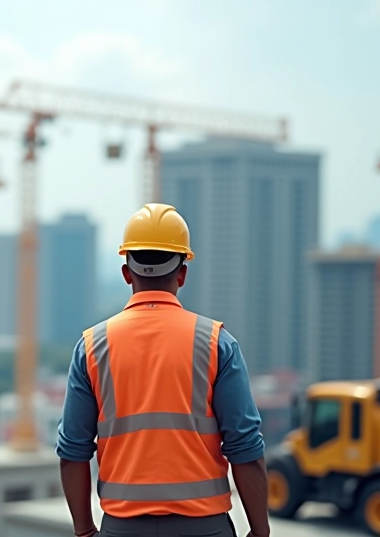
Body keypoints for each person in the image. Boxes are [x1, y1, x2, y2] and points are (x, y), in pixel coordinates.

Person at [56, 203, 270, 537]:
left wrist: (84, 531)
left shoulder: (92, 347)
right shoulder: (217, 343)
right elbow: (246, 449)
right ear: (182, 273)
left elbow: (72, 452)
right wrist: (259, 532)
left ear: (127, 272)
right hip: (205, 530)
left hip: (121, 529)